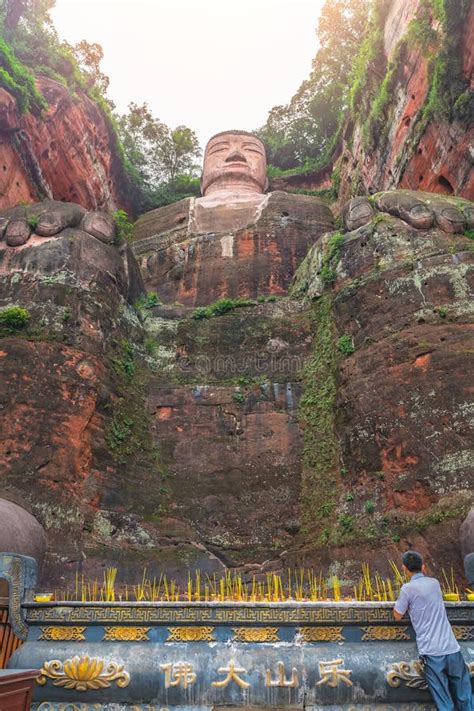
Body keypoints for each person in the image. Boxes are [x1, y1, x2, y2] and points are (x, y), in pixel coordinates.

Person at [393, 550, 473, 710]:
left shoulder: (407, 589)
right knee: (465, 697)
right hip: (451, 648)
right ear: (423, 567)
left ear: (404, 568)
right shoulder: (435, 583)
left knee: (445, 703)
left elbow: (397, 615)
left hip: (431, 652)